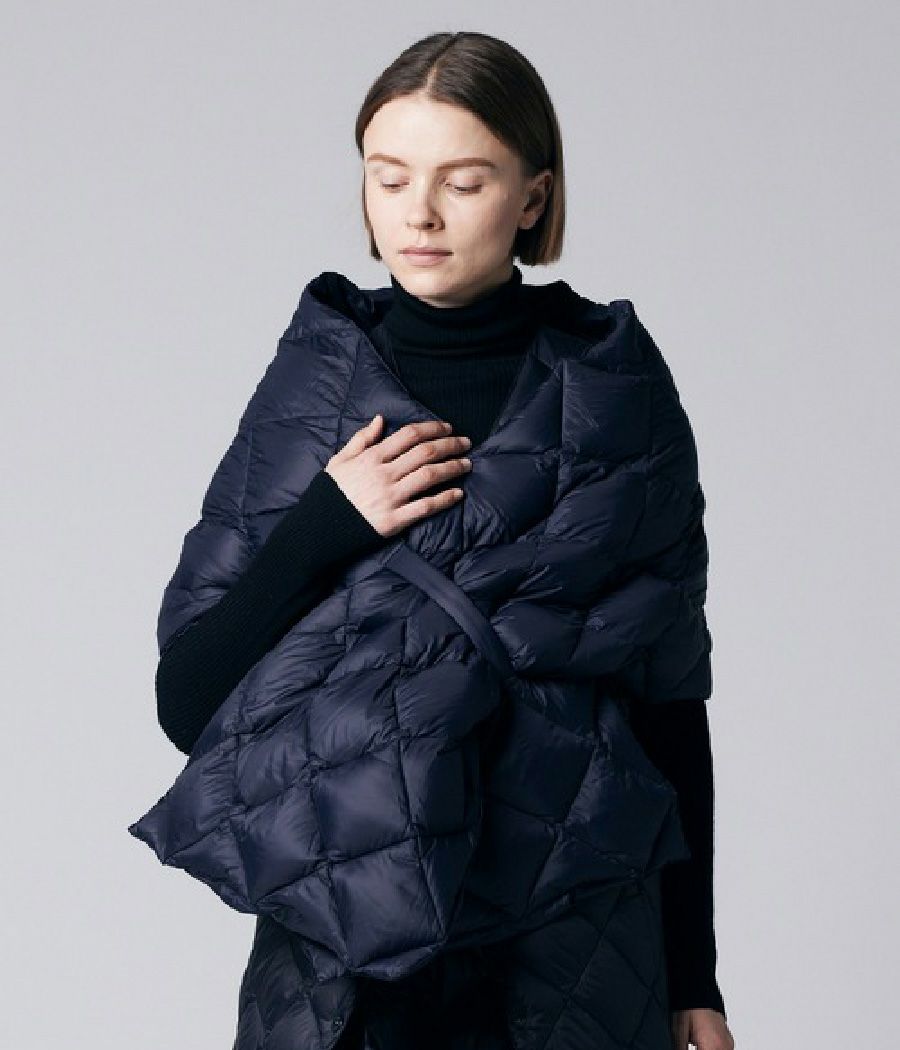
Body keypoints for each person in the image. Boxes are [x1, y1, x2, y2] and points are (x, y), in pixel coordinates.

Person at [153, 31, 735, 1050]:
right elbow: (188, 702)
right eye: (389, 178)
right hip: (344, 951)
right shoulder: (318, 386)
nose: (417, 213)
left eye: (462, 182)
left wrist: (698, 978)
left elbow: (669, 702)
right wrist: (328, 523)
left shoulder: (616, 391)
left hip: (578, 934)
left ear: (534, 196)